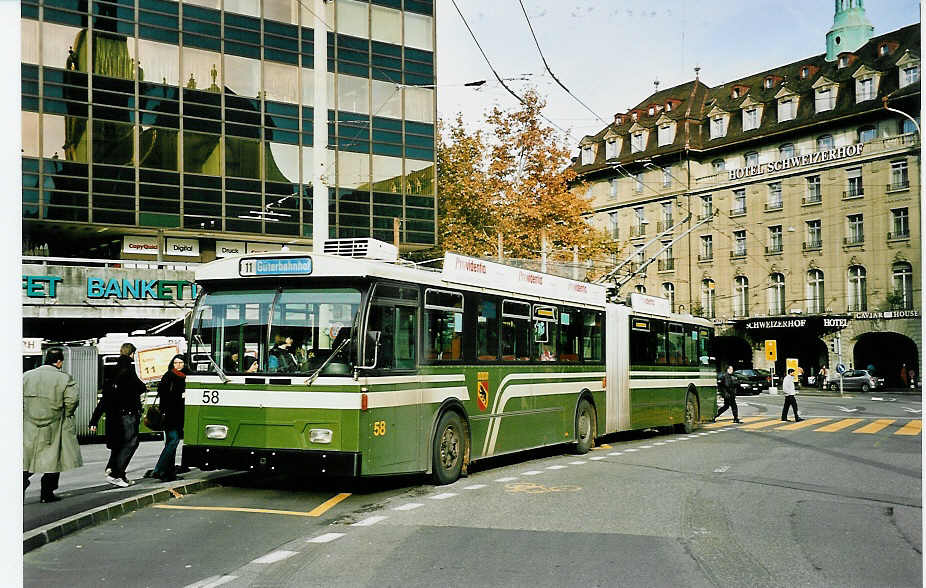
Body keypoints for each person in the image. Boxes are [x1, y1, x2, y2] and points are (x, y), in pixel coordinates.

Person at [23, 348, 83, 503]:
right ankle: (47, 493)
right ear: (59, 362)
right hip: (55, 425)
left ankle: (20, 485)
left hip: (29, 425)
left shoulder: (26, 376)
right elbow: (72, 401)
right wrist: (66, 414)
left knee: (27, 458)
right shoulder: (65, 379)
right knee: (54, 458)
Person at [89, 342, 147, 487]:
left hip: (114, 414)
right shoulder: (128, 369)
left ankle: (116, 472)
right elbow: (140, 387)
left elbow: (105, 398)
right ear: (132, 354)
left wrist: (94, 420)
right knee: (131, 443)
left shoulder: (113, 370)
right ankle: (115, 474)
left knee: (119, 444)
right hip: (127, 413)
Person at [149, 354, 186, 482]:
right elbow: (164, 396)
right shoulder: (169, 376)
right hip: (169, 415)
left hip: (179, 415)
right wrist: (180, 396)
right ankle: (159, 470)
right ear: (172, 363)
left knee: (171, 443)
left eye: (181, 362)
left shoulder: (185, 376)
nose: (178, 365)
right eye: (176, 363)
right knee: (173, 441)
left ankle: (168, 472)